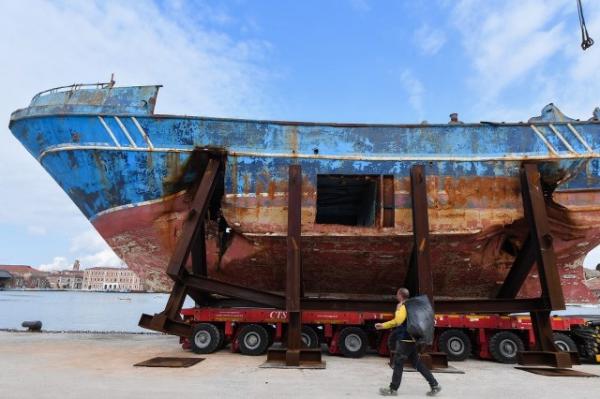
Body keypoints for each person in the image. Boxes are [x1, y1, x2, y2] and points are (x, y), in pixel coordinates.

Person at [375, 287, 441, 396]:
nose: (396, 296)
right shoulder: (413, 306)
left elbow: (398, 321)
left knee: (398, 363)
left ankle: (393, 389)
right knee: (416, 363)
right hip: (413, 338)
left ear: (400, 295)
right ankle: (434, 385)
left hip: (405, 339)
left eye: (397, 294)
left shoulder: (403, 306)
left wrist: (382, 325)